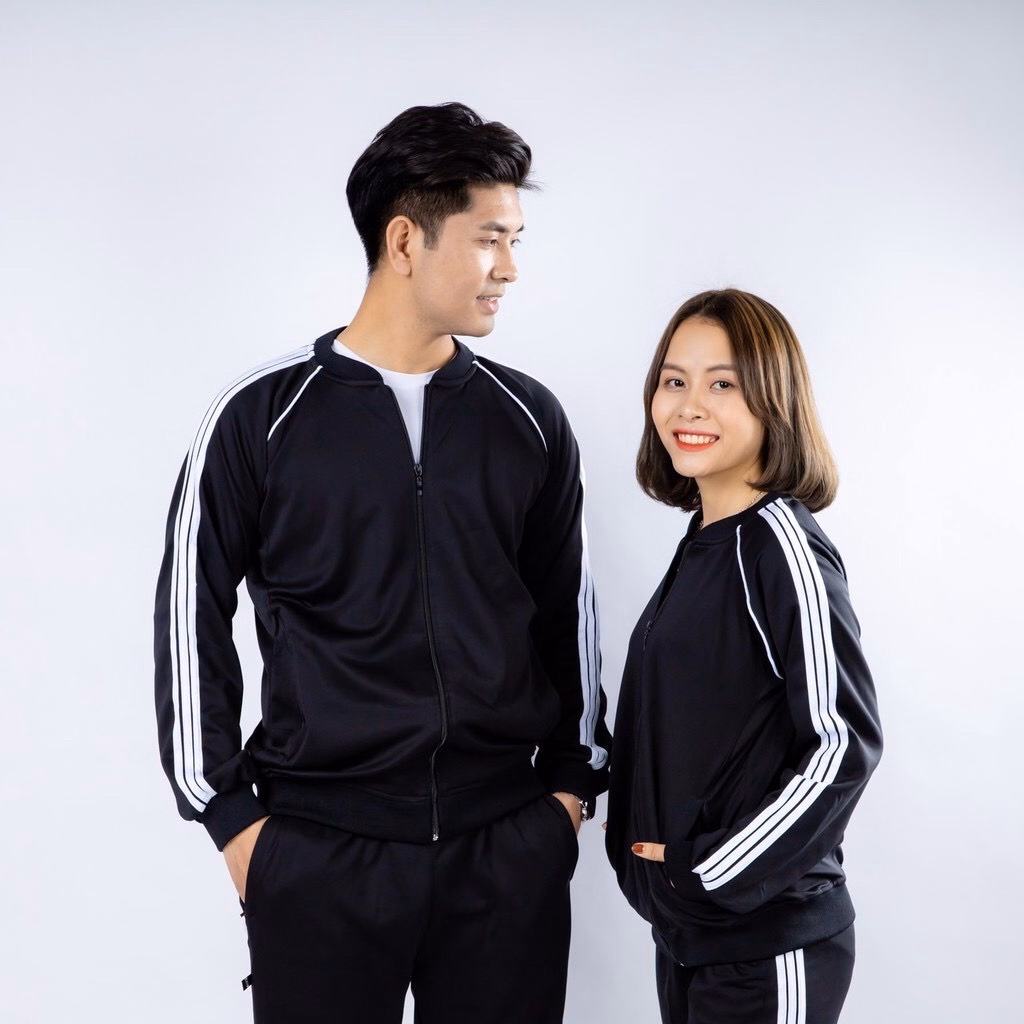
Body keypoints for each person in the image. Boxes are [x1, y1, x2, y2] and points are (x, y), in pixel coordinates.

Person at [154, 101, 610, 1024]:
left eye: (515, 241)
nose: (510, 268)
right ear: (405, 240)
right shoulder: (259, 417)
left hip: (503, 852)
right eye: (490, 239)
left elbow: (571, 617)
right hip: (320, 854)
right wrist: (235, 824)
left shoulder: (528, 418)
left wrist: (567, 795)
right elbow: (186, 620)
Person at [605, 288, 882, 1024]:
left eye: (722, 384)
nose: (689, 406)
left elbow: (843, 743)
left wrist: (706, 873)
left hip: (768, 943)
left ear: (773, 401)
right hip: (693, 938)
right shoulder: (707, 540)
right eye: (674, 380)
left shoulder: (781, 546)